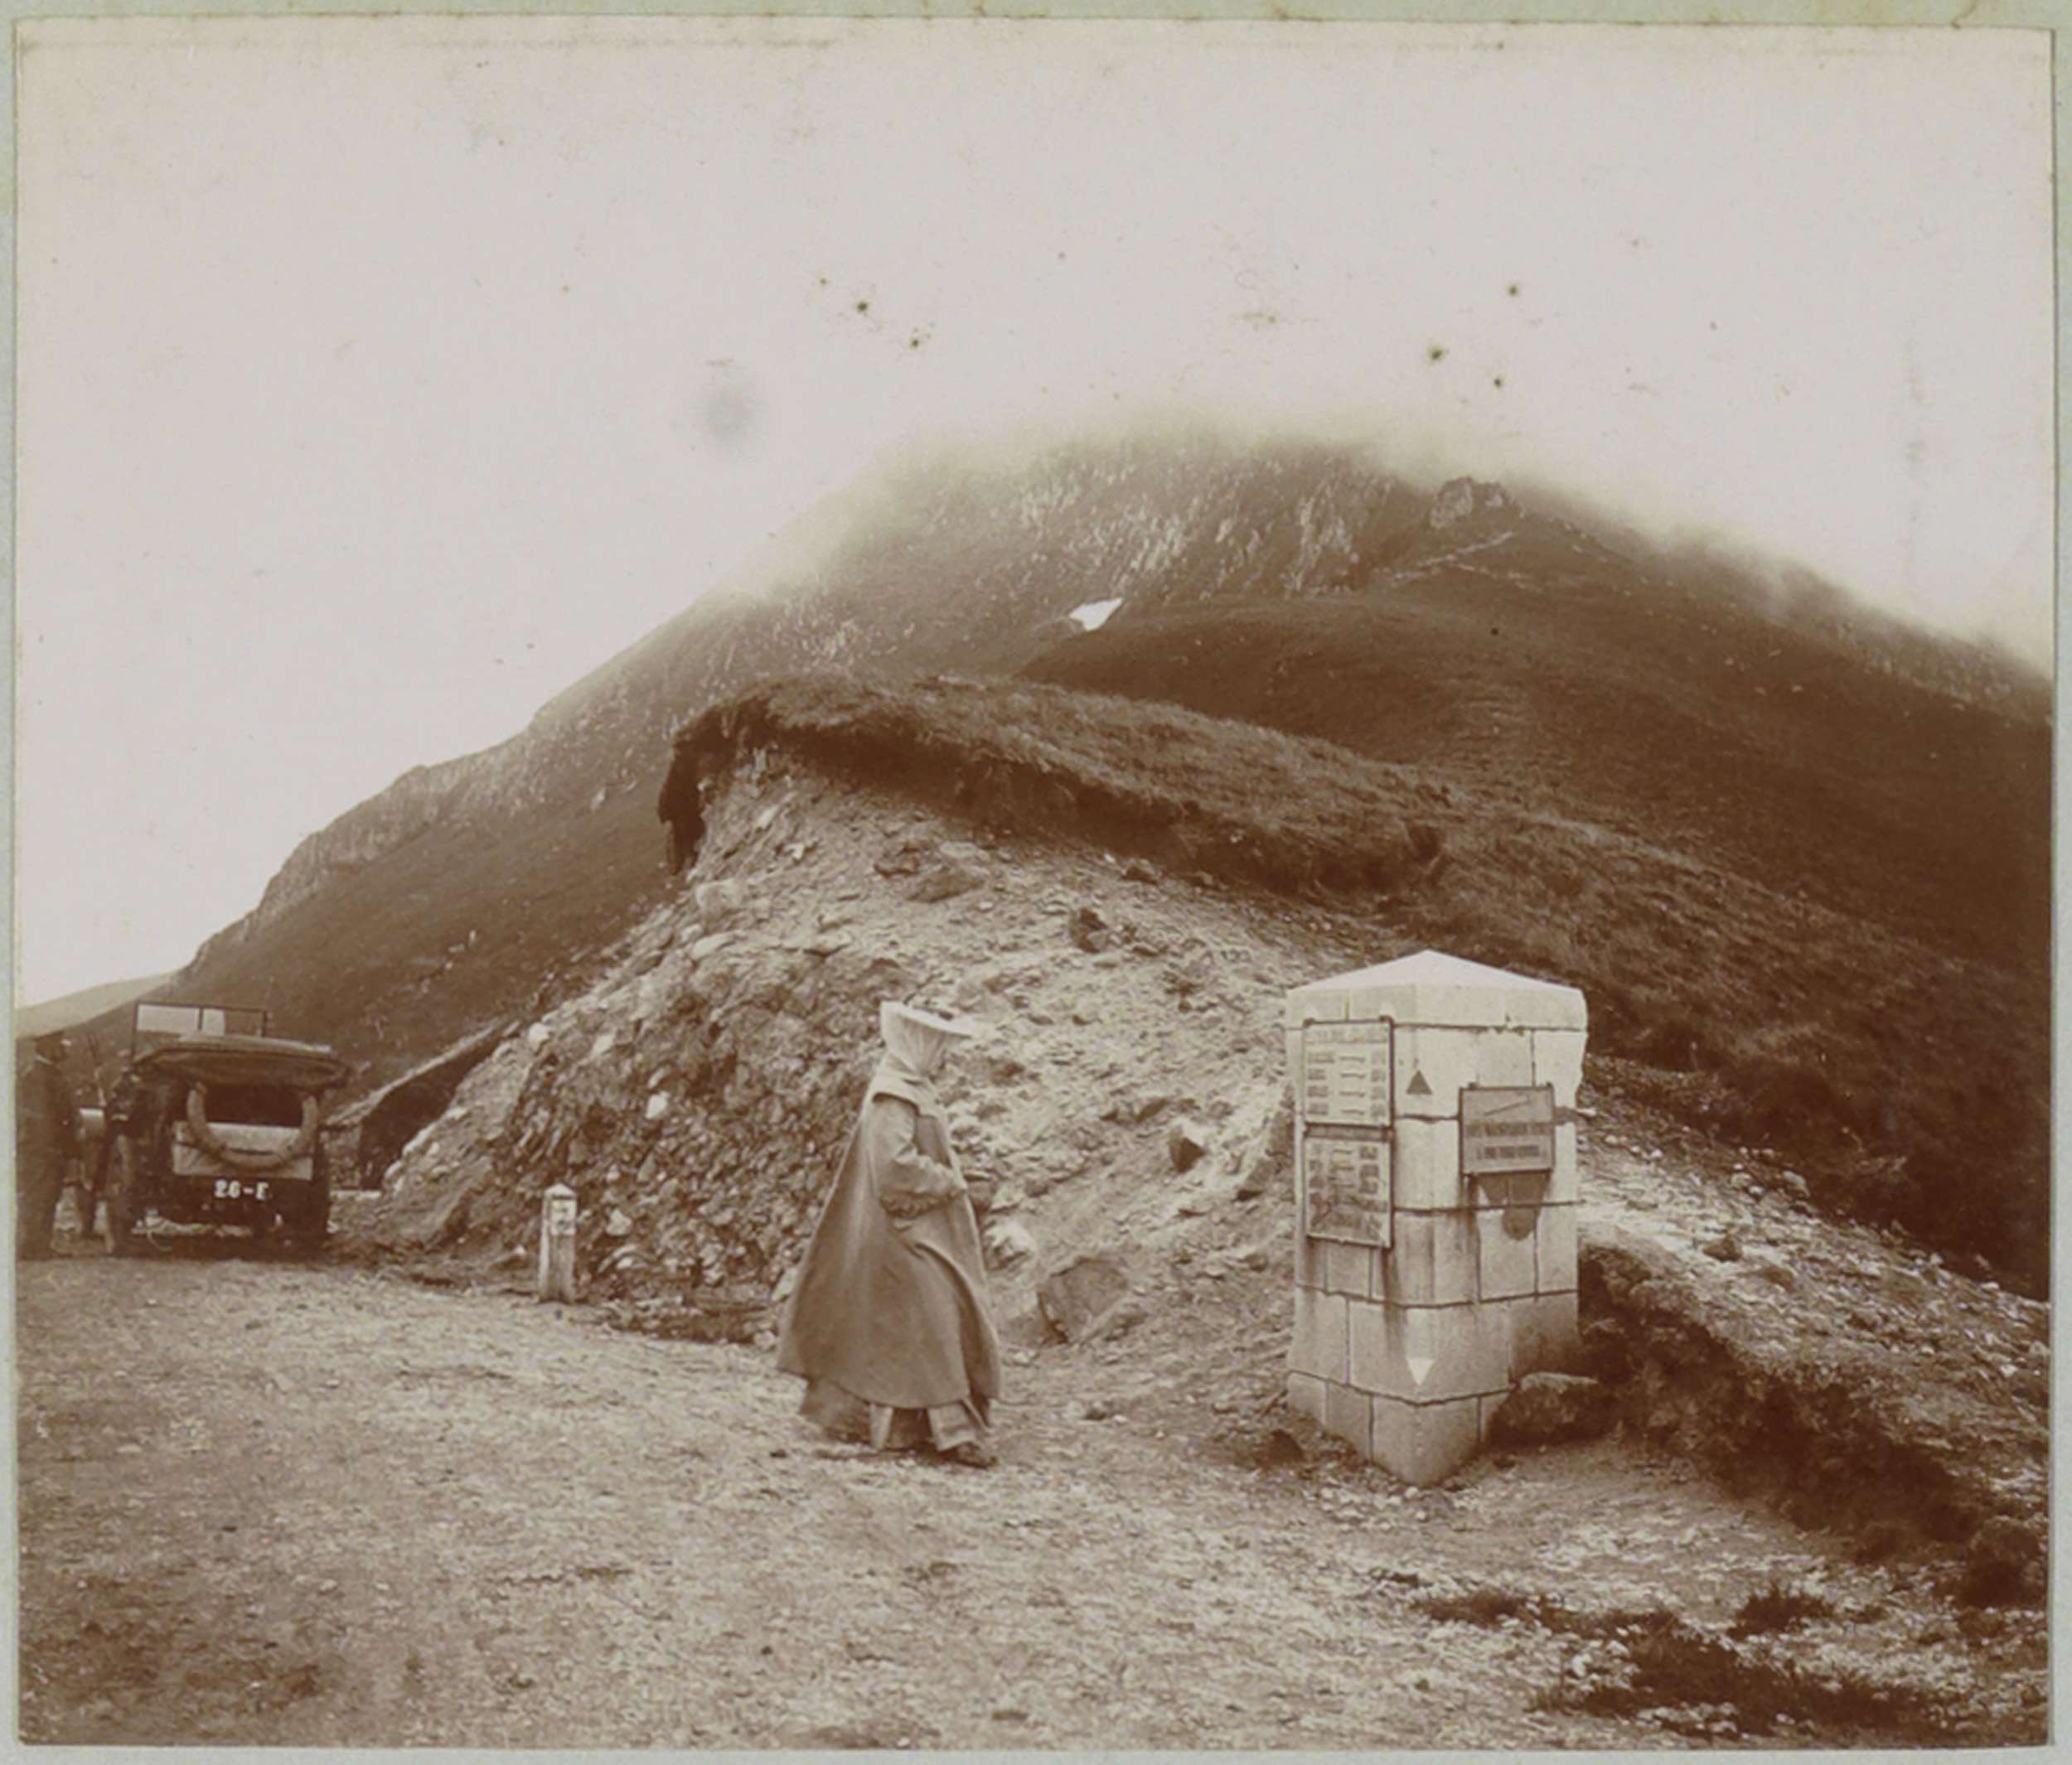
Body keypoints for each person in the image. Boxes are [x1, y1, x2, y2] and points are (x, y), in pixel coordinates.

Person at [777, 999, 1003, 1468]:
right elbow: (894, 1169)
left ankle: (899, 1426)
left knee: (916, 1325)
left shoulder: (914, 1088)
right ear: (918, 1043)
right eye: (938, 1046)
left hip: (917, 1228)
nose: (944, 1056)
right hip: (900, 1233)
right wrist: (951, 1181)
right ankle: (955, 1433)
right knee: (936, 1319)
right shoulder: (893, 1095)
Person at [16, 1033, 80, 1260]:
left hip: (51, 1147)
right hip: (41, 1147)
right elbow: (38, 1116)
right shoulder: (36, 1075)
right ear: (47, 1047)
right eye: (59, 1046)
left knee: (49, 1195)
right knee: (38, 1195)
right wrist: (50, 1146)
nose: (64, 1050)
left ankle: (41, 1245)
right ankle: (32, 1246)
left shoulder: (47, 1073)